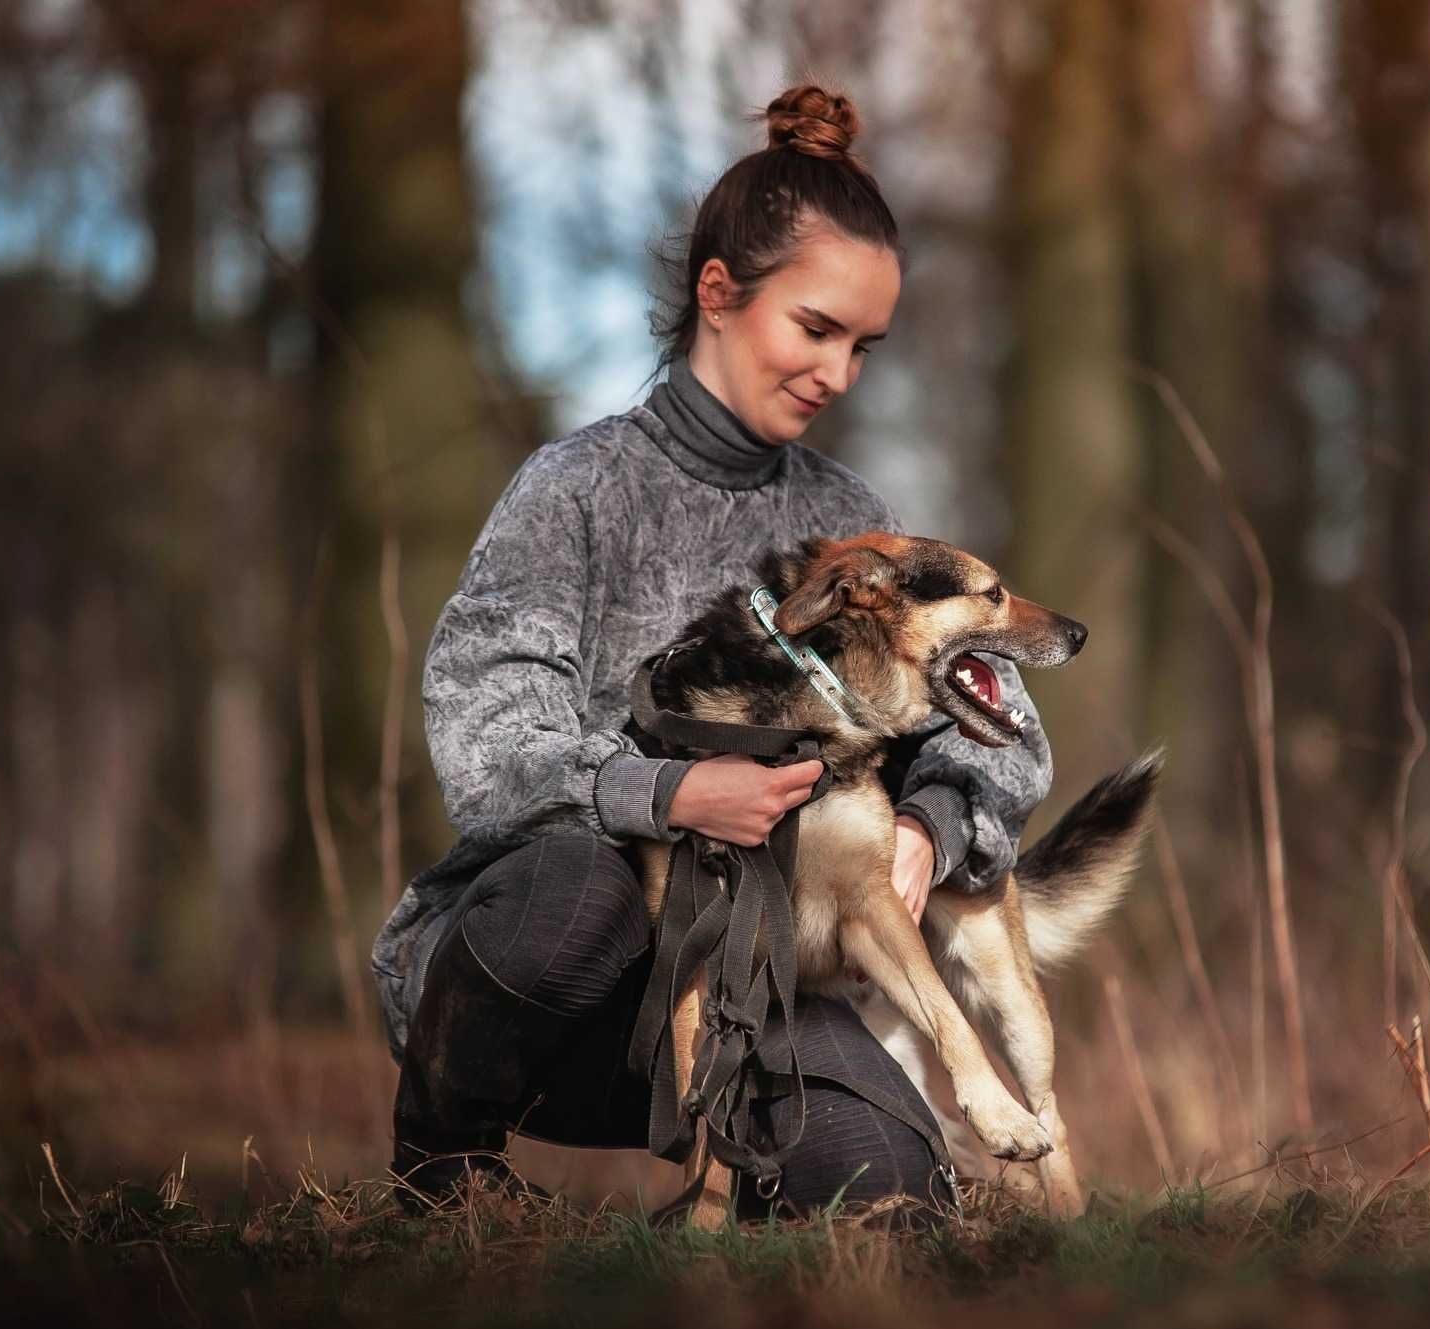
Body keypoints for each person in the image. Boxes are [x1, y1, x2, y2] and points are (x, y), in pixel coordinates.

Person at [372, 84, 1052, 1221]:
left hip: (759, 985)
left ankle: (705, 1211)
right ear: (719, 294)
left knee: (891, 1187)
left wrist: (926, 829)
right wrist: (674, 790)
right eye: (815, 329)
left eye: (863, 347)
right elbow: (486, 747)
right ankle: (441, 1170)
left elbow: (1008, 732)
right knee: (573, 892)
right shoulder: (575, 491)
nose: (838, 374)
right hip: (555, 986)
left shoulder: (856, 521)